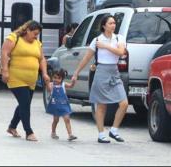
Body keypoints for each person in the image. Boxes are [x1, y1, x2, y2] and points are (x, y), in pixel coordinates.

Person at [71, 15, 128, 143]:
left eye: (114, 23)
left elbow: (120, 52)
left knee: (124, 103)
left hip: (114, 71)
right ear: (104, 26)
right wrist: (76, 73)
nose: (113, 25)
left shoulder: (119, 38)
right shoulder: (96, 40)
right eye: (110, 23)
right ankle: (101, 133)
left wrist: (105, 46)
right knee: (101, 106)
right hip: (101, 71)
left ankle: (114, 130)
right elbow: (86, 58)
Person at [1, 20, 50, 142]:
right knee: (25, 103)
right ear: (27, 30)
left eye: (37, 34)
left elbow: (42, 59)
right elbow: (4, 52)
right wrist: (5, 71)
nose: (36, 36)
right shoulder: (14, 38)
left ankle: (12, 127)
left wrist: (44, 73)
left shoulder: (37, 43)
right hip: (16, 78)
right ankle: (29, 131)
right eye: (34, 33)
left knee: (24, 104)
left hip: (31, 81)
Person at [46, 69, 77, 141]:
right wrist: (47, 83)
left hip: (64, 105)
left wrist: (73, 81)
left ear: (62, 78)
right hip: (55, 105)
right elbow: (49, 89)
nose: (56, 80)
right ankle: (53, 132)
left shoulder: (63, 84)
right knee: (56, 120)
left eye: (59, 78)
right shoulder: (51, 84)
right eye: (54, 77)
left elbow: (71, 86)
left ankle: (70, 135)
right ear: (52, 77)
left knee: (67, 119)